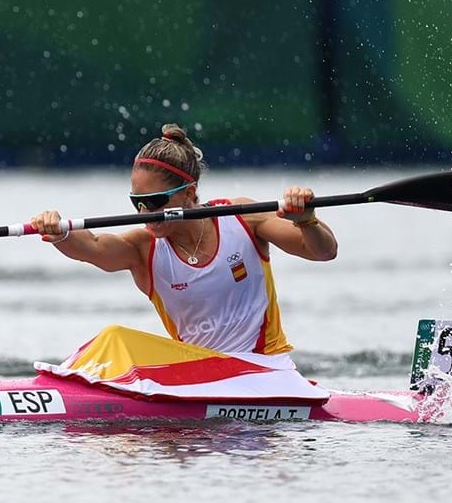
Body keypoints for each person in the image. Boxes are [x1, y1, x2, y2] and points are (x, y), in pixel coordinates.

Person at [29, 124, 337, 401]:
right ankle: (54, 393)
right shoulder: (144, 248)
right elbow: (92, 247)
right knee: (114, 338)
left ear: (189, 194)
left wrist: (306, 221)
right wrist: (59, 233)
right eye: (136, 202)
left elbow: (323, 251)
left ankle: (62, 395)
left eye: (155, 201)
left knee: (116, 337)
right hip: (196, 380)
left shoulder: (241, 217)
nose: (144, 211)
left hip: (266, 373)